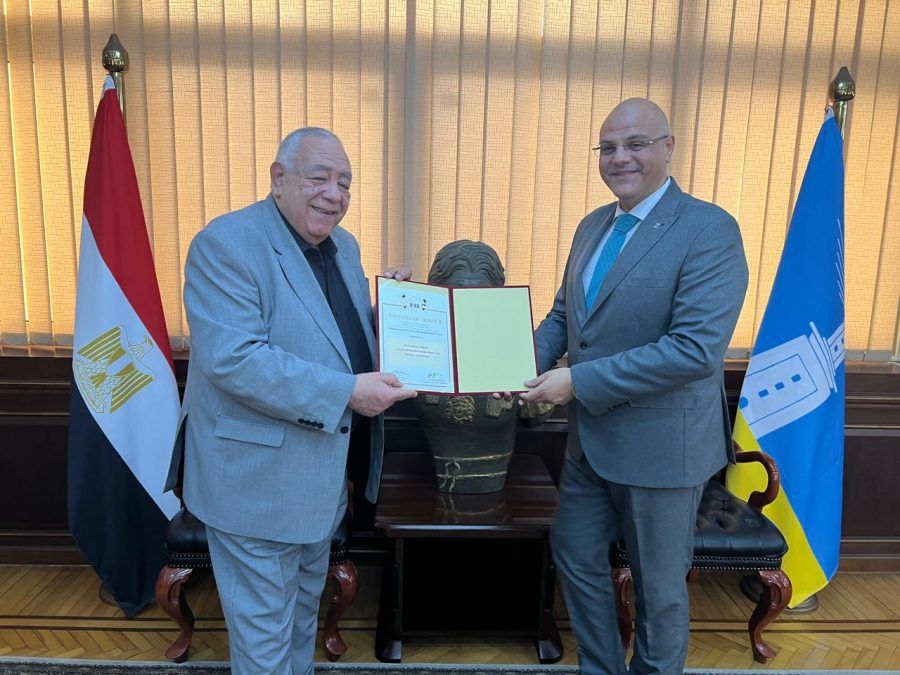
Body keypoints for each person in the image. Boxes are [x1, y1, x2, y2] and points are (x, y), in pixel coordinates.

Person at [167, 127, 417, 674]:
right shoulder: (226, 244)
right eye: (319, 177)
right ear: (278, 178)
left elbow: (331, 334)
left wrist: (391, 316)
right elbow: (235, 359)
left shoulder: (343, 246)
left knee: (302, 621)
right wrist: (349, 391)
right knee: (264, 643)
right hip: (255, 484)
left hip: (321, 480)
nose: (334, 193)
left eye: (345, 182)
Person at [519, 98, 749, 674]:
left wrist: (577, 381)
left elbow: (693, 350)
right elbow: (563, 317)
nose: (619, 157)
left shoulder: (709, 230)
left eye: (635, 144)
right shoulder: (592, 226)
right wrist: (512, 366)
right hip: (588, 446)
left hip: (661, 451)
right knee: (574, 555)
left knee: (659, 592)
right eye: (608, 147)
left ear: (668, 147)